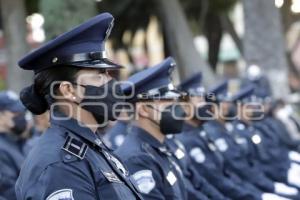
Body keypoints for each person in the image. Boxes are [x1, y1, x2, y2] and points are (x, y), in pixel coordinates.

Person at [15, 13, 143, 200]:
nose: (111, 82)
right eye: (100, 75)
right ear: (68, 90)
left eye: (108, 73)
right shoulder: (61, 165)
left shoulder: (91, 147)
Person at [115, 57, 189, 200]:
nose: (176, 108)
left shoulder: (160, 147)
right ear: (143, 109)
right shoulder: (137, 158)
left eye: (175, 100)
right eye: (167, 101)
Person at [0, 91, 27, 200]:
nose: (21, 116)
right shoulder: (2, 149)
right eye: (16, 112)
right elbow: (10, 191)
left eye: (22, 112)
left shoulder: (18, 142)